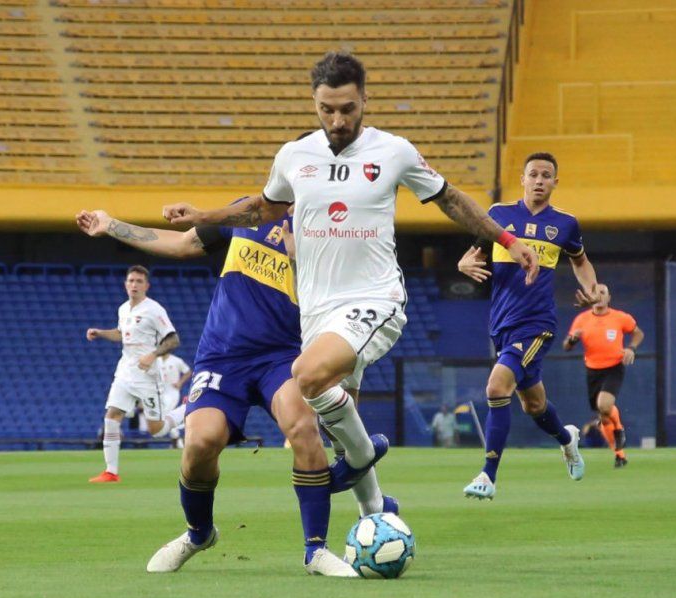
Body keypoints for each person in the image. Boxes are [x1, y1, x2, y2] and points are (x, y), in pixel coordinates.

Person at [161, 52, 538, 516]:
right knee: (337, 415)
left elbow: (451, 200)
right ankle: (376, 514)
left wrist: (505, 239)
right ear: (314, 104)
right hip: (318, 309)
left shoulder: (393, 151)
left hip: (375, 297)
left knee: (307, 376)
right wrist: (203, 215)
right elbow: (263, 209)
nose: (337, 120)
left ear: (365, 100)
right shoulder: (294, 156)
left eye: (347, 108)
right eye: (327, 110)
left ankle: (359, 458)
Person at [76, 207, 368, 577]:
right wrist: (111, 225)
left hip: (282, 354)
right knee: (200, 442)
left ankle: (316, 550)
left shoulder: (328, 231)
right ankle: (199, 534)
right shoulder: (247, 213)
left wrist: (300, 257)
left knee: (302, 428)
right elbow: (182, 243)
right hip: (221, 356)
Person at [457, 151, 599, 500]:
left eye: (546, 175)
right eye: (533, 174)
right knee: (533, 405)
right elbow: (471, 254)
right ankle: (567, 439)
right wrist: (464, 264)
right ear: (522, 179)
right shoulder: (498, 215)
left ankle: (488, 476)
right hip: (502, 323)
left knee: (496, 387)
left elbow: (581, 262)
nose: (539, 180)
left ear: (554, 182)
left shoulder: (565, 224)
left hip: (537, 323)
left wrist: (592, 291)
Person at [85, 266, 186, 483]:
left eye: (139, 281)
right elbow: (121, 334)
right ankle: (111, 472)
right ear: (125, 284)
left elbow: (173, 339)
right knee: (112, 416)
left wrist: (153, 354)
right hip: (125, 371)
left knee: (156, 430)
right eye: (131, 281)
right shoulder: (123, 309)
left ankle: (188, 409)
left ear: (146, 286)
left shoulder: (154, 309)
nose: (134, 285)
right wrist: (100, 333)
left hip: (148, 375)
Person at [563, 284, 644, 468]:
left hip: (614, 367)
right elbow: (567, 346)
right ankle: (620, 454)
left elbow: (638, 333)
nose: (599, 296)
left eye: (602, 293)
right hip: (593, 371)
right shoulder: (582, 319)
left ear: (609, 298)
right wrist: (573, 339)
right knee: (604, 416)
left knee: (604, 405)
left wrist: (631, 348)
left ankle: (619, 429)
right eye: (595, 293)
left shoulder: (620, 317)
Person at [157, 352, 192, 443]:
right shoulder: (156, 360)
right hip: (161, 391)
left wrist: (180, 382)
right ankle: (176, 439)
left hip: (172, 391)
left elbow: (188, 372)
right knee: (164, 415)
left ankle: (176, 438)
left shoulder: (176, 360)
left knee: (166, 413)